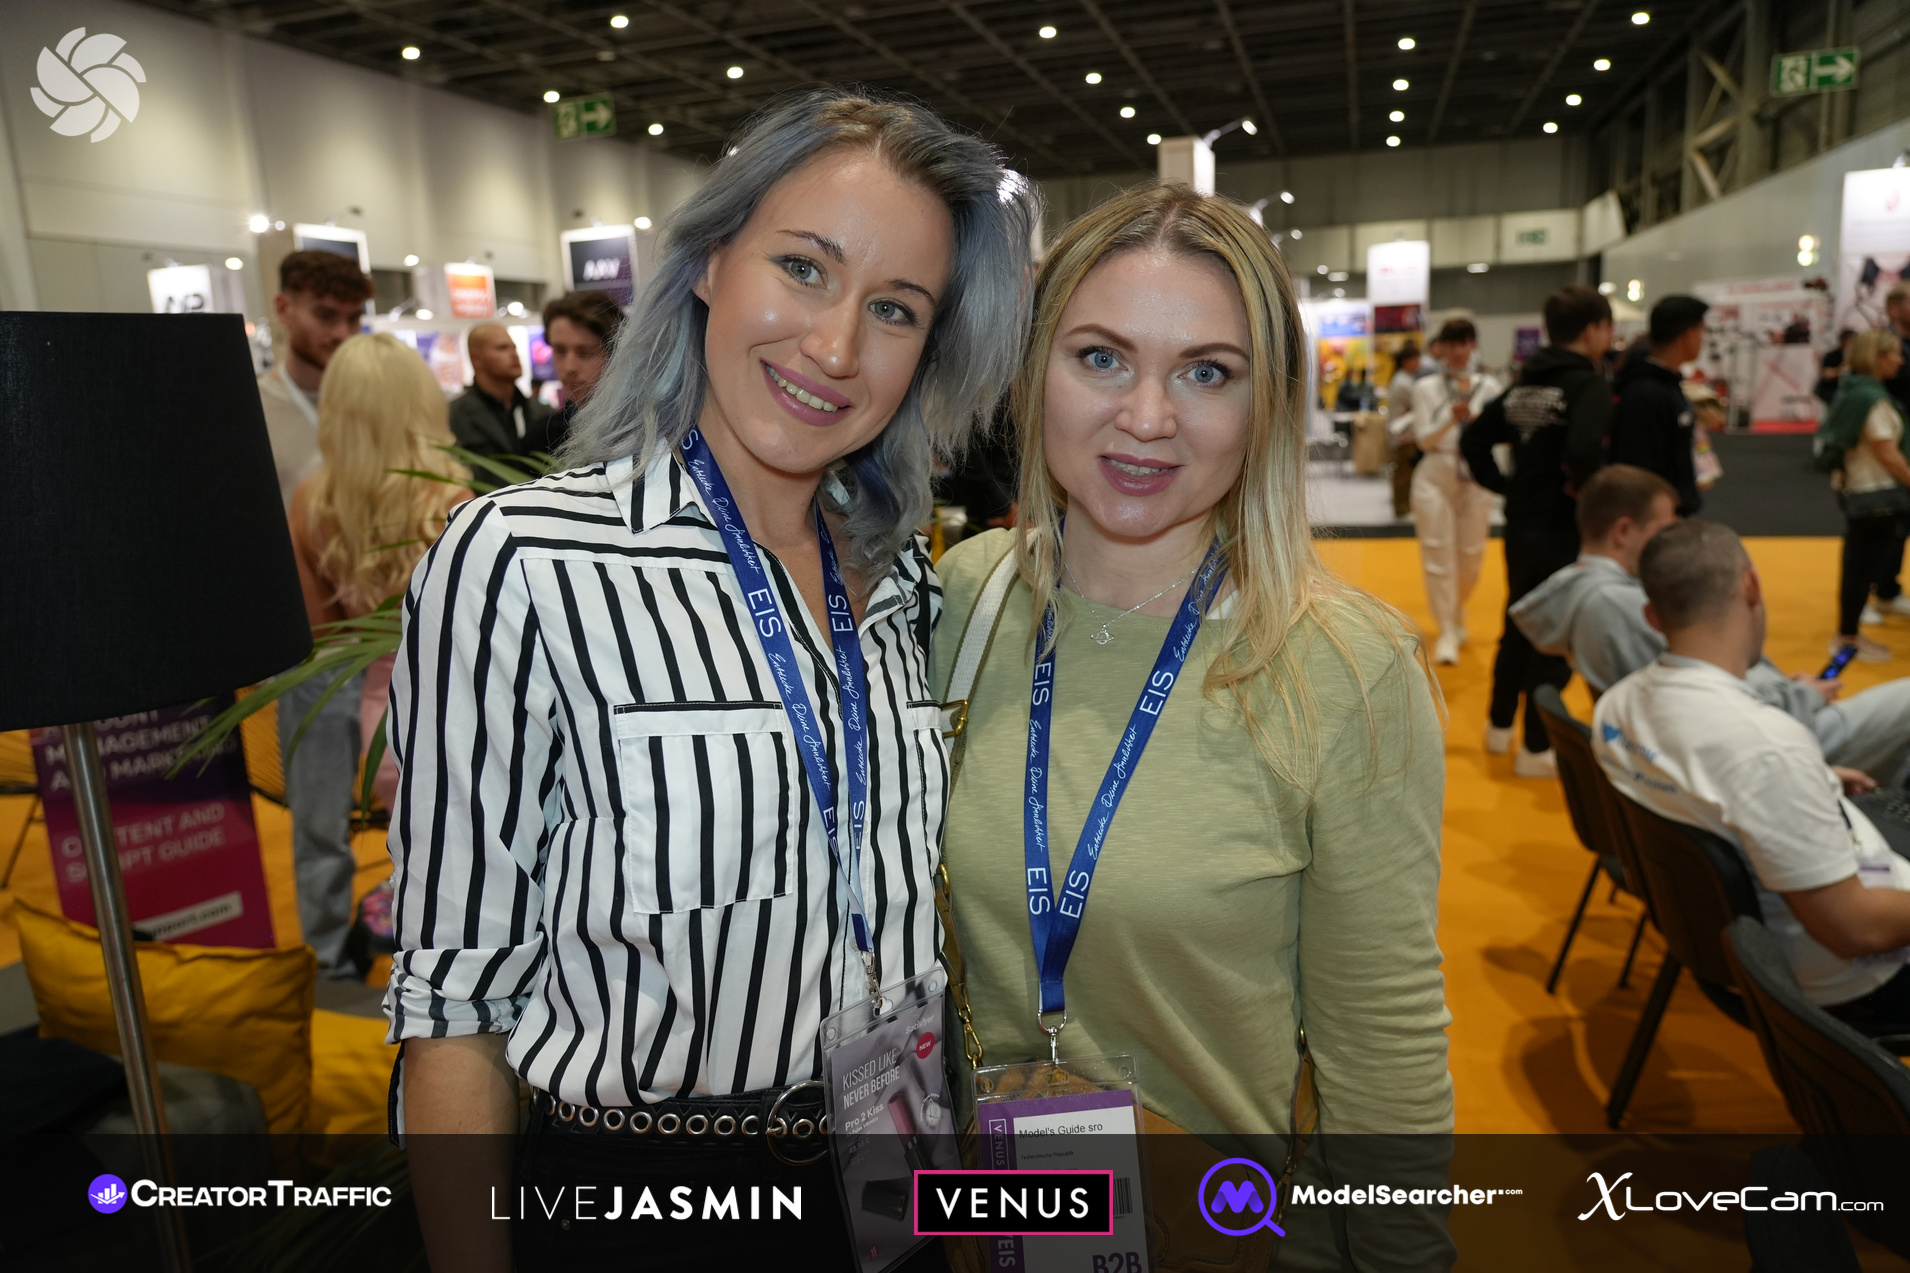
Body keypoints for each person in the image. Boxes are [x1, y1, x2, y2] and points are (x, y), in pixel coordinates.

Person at [385, 90, 1036, 1272]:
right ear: (706, 263)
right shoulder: (523, 562)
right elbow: (453, 1015)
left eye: (894, 309)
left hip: (889, 1172)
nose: (835, 348)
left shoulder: (904, 582)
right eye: (803, 267)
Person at [932, 185, 1451, 1262]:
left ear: (1267, 404)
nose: (1147, 417)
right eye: (1101, 357)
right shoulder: (962, 600)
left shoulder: (1342, 666)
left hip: (1215, 1233)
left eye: (1206, 372)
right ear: (1033, 373)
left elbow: (1381, 1040)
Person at [1595, 520, 1910, 1035]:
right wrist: (1794, 775)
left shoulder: (1615, 707)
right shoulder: (1767, 747)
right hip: (1848, 983)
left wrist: (1814, 781)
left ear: (1652, 615)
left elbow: (1704, 788)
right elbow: (1855, 930)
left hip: (1739, 949)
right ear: (1751, 585)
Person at [1514, 465, 1910, 784]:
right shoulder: (1617, 605)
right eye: (1664, 528)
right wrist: (1802, 696)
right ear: (1623, 531)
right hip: (1756, 745)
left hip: (1719, 739)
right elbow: (1711, 702)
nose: (1671, 540)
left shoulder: (1584, 594)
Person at [285, 334, 469, 977]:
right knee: (453, 850)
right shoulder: (454, 501)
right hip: (440, 704)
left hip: (369, 704)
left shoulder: (314, 502)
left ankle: (337, 963)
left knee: (351, 834)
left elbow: (323, 632)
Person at [1462, 284, 1614, 778]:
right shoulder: (1586, 386)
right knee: (1555, 633)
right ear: (1593, 330)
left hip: (1522, 521)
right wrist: (1593, 501)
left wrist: (1506, 486)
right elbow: (1584, 450)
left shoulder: (1523, 386)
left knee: (1519, 621)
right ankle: (1535, 747)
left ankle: (1499, 724)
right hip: (1563, 525)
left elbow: (1474, 438)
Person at [1410, 319, 1502, 665]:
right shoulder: (1426, 388)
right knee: (1438, 556)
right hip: (1435, 477)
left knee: (1471, 558)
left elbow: (1501, 437)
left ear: (1473, 345)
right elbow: (1424, 440)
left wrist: (1481, 426)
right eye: (1452, 344)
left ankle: (1457, 610)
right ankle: (1446, 628)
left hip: (1475, 479)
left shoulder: (1489, 386)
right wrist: (1450, 418)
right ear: (1441, 348)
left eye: (1465, 343)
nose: (1460, 351)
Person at [258, 250, 372, 509]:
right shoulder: (254, 409)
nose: (342, 333)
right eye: (326, 316)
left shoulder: (380, 401)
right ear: (283, 309)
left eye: (353, 318)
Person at [1826, 329, 1910, 663]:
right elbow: (1886, 451)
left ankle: (1849, 634)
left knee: (1859, 565)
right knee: (1861, 568)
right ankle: (1847, 637)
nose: (1900, 360)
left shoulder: (1855, 390)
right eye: (1894, 353)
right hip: (1875, 493)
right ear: (1877, 357)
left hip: (1862, 490)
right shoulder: (1870, 398)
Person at [1609, 295, 1709, 516]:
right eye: (1701, 332)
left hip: (1673, 508)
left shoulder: (1668, 383)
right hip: (1655, 516)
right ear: (1688, 336)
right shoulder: (1644, 393)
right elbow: (1639, 469)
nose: (1703, 340)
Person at [447, 322, 558, 457]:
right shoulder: (454, 416)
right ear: (476, 358)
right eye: (502, 348)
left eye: (514, 348)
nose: (514, 355)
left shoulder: (543, 412)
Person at [540, 288, 625, 452]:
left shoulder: (644, 430)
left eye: (584, 353)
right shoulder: (543, 436)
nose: (569, 367)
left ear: (615, 353)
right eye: (560, 351)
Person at [1386, 341, 1424, 517]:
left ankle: (1404, 505)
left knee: (1406, 472)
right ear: (1406, 361)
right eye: (1416, 359)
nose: (1418, 363)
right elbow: (1419, 403)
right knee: (1403, 472)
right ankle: (1401, 506)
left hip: (1405, 433)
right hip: (1403, 434)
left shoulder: (1404, 379)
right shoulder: (1403, 383)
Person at [1816, 329, 1856, 408]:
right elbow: (1825, 373)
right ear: (1842, 341)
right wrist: (1840, 371)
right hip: (1832, 393)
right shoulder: (1832, 356)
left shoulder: (1855, 357)